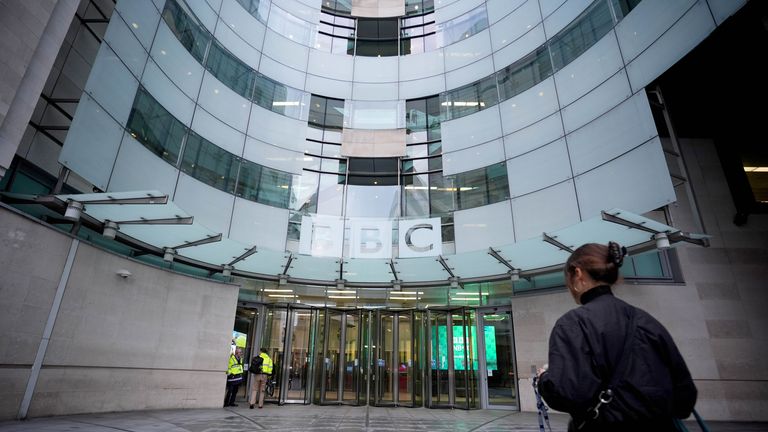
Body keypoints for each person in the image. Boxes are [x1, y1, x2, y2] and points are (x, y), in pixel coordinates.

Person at [537, 242, 697, 432]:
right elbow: (685, 398)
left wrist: (544, 378)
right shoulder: (647, 321)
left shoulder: (573, 323)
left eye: (568, 279)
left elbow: (567, 394)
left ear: (578, 274)